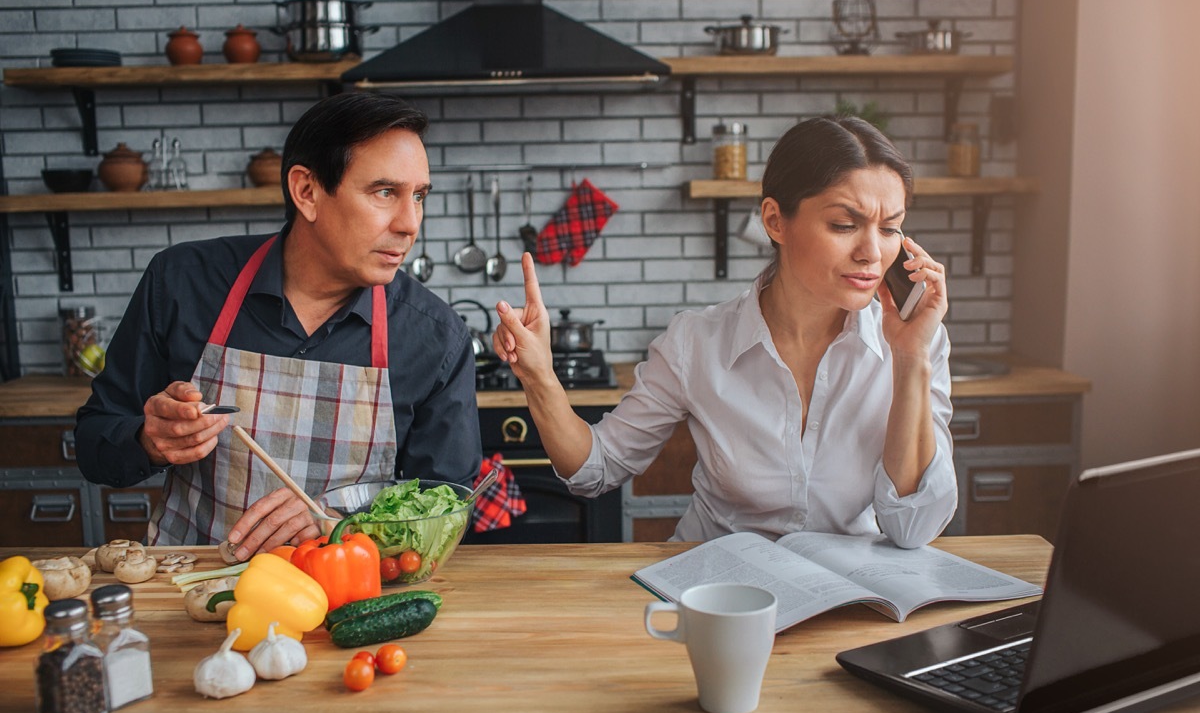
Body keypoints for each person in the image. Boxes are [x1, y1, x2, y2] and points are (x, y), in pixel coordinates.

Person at [493, 116, 955, 546]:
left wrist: (912, 357)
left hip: (846, 603)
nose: (872, 253)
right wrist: (539, 376)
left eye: (891, 228)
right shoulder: (695, 342)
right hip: (719, 599)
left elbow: (912, 528)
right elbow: (596, 469)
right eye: (844, 224)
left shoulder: (915, 340)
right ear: (775, 220)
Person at [76, 92, 482, 557]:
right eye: (384, 192)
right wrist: (148, 441)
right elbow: (93, 445)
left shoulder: (434, 336)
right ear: (306, 191)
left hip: (347, 601)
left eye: (419, 196)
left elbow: (444, 509)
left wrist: (343, 522)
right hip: (187, 588)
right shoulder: (183, 283)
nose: (410, 223)